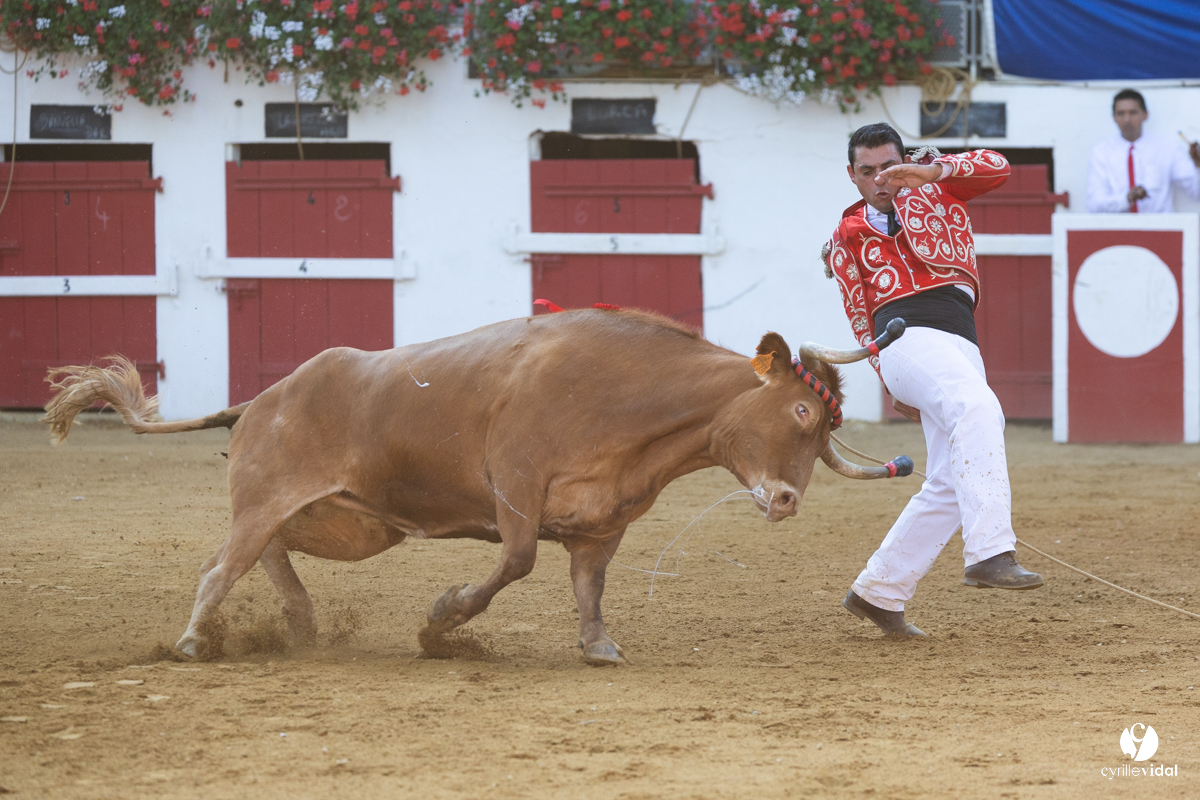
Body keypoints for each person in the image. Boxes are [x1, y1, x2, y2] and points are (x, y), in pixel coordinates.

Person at [822, 123, 1043, 639]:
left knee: (947, 480)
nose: (882, 178)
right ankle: (990, 551)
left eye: (889, 166)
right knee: (980, 410)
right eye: (869, 170)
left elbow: (998, 166)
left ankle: (880, 592)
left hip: (960, 342)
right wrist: (888, 379)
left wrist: (931, 170)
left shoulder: (938, 185)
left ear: (906, 160)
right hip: (903, 339)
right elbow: (859, 314)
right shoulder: (845, 235)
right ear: (852, 176)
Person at [1087, 88, 1200, 213]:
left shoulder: (1167, 148)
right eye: (1120, 113)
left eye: (1133, 112)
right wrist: (1126, 199)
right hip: (1117, 230)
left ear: (1145, 115)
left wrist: (1199, 165)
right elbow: (1094, 204)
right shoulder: (1101, 152)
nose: (1127, 120)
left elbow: (1197, 193)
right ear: (1114, 117)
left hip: (1160, 229)